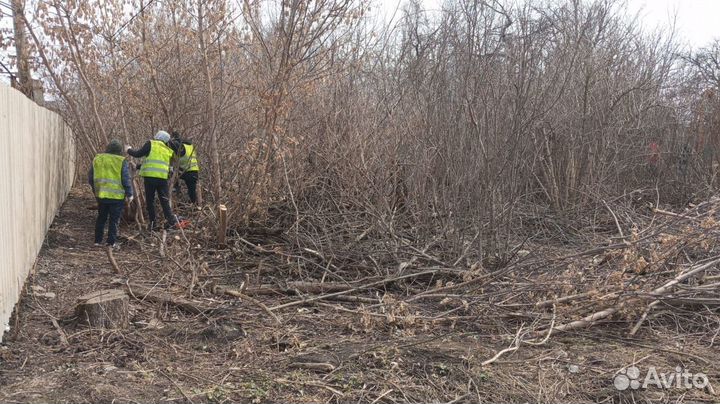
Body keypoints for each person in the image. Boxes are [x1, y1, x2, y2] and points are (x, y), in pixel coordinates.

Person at [126, 130, 181, 230]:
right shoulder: (167, 150)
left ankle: (153, 225)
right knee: (164, 201)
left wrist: (128, 150)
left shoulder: (150, 143)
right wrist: (138, 166)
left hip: (150, 178)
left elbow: (138, 154)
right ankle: (171, 222)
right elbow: (156, 163)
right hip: (162, 179)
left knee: (150, 201)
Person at [88, 139, 133, 249]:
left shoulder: (98, 159)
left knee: (101, 218)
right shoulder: (121, 161)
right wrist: (129, 193)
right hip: (116, 197)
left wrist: (95, 190)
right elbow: (125, 179)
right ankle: (111, 242)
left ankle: (97, 241)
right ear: (119, 150)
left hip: (101, 195)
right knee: (114, 220)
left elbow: (90, 177)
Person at [172, 131, 200, 204]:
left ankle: (176, 188)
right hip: (194, 170)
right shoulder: (189, 145)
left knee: (172, 171)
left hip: (187, 171)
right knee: (192, 191)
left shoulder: (179, 146)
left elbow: (180, 156)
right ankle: (194, 205)